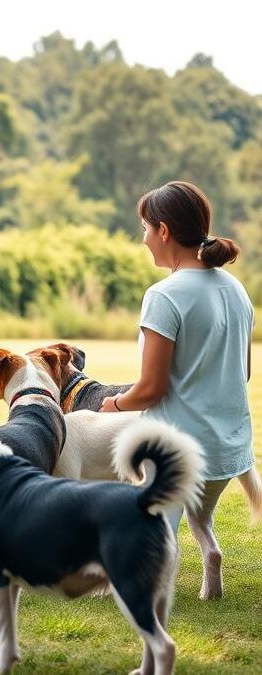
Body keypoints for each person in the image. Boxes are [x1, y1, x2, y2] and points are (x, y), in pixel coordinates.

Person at [100, 180, 255, 600]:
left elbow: (150, 389)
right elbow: (241, 372)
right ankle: (209, 580)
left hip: (175, 450)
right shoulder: (237, 290)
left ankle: (149, 621)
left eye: (145, 229)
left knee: (148, 541)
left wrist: (111, 404)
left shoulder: (164, 296)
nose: (144, 238)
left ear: (163, 231)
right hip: (228, 450)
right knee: (197, 521)